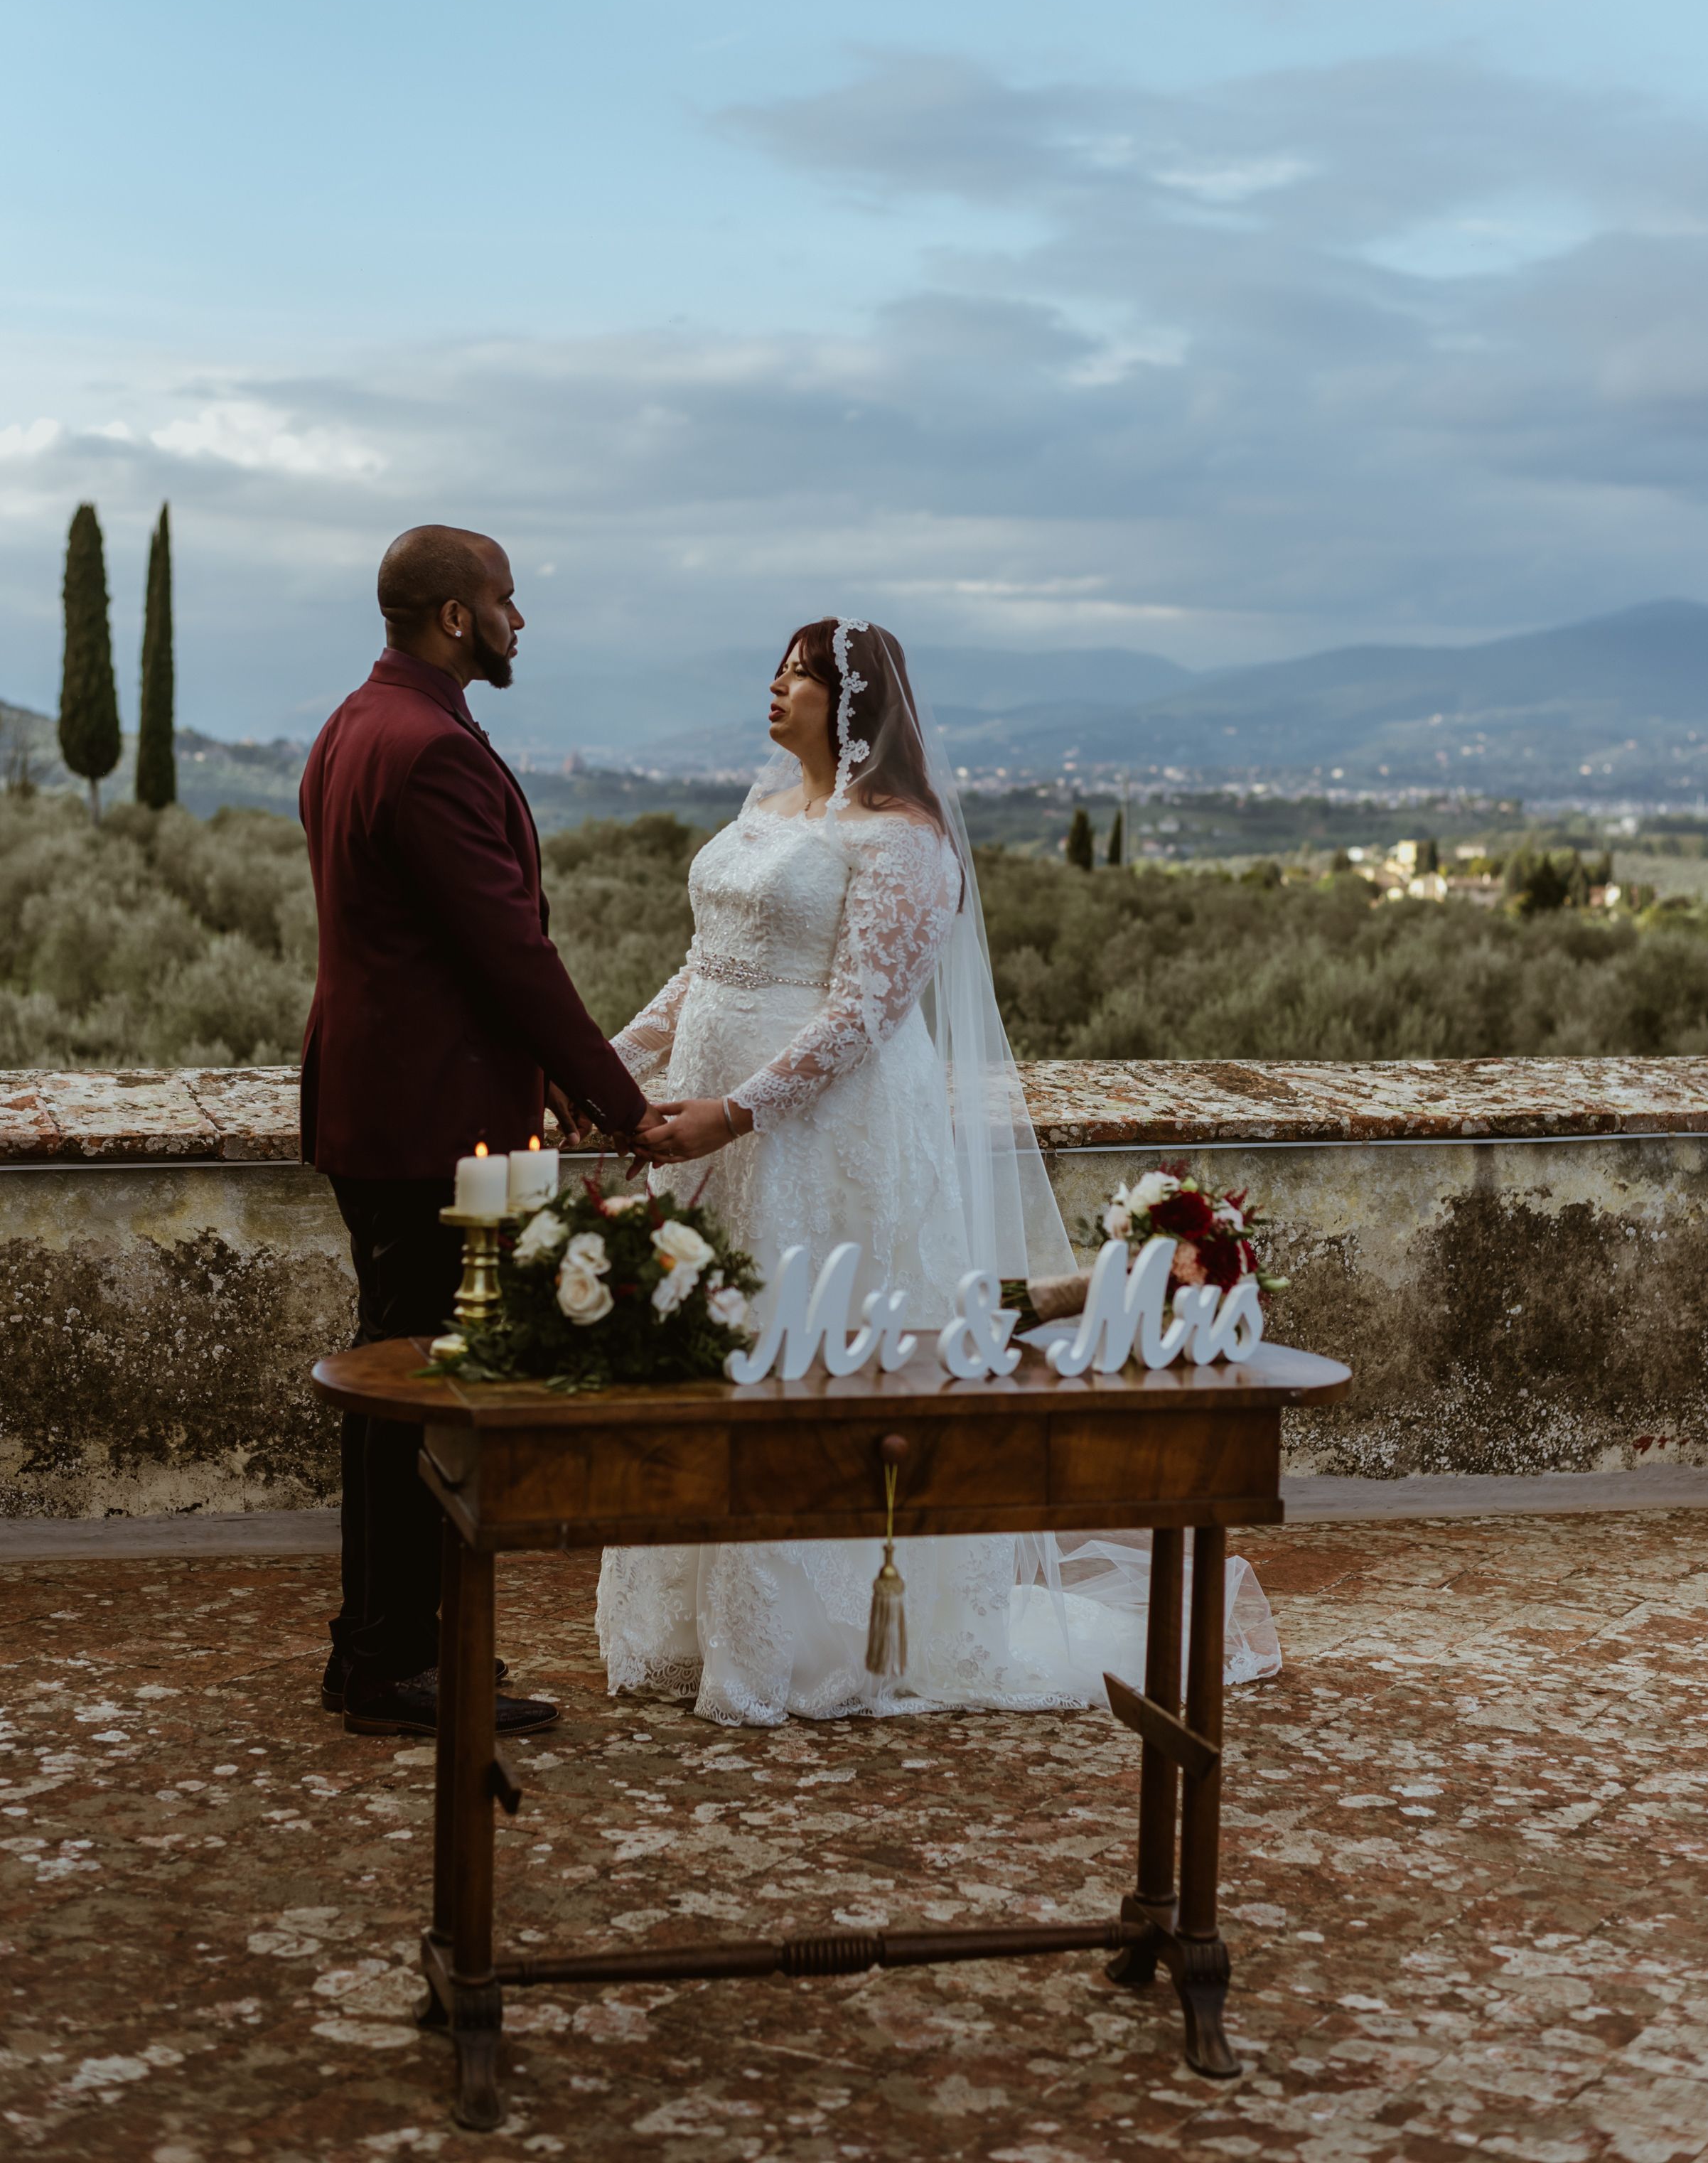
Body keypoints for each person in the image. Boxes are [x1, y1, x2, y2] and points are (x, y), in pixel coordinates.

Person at [597, 617, 1280, 1723]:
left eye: (805, 678)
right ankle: (698, 1624)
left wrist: (735, 1113)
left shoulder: (906, 839)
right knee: (707, 1349)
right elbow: (704, 970)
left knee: (808, 1357)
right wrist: (611, 1070)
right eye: (775, 672)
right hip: (707, 1132)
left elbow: (865, 1011)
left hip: (822, 1137)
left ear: (857, 703)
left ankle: (809, 1644)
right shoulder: (763, 813)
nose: (777, 692)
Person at [300, 524, 664, 1737]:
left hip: (377, 1100)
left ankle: (373, 1652)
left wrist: (540, 1076)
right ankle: (399, 1667)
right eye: (506, 601)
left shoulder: (357, 723)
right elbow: (508, 949)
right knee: (425, 1384)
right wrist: (619, 1099)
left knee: (389, 1377)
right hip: (426, 1119)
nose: (520, 621)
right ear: (456, 616)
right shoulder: (431, 748)